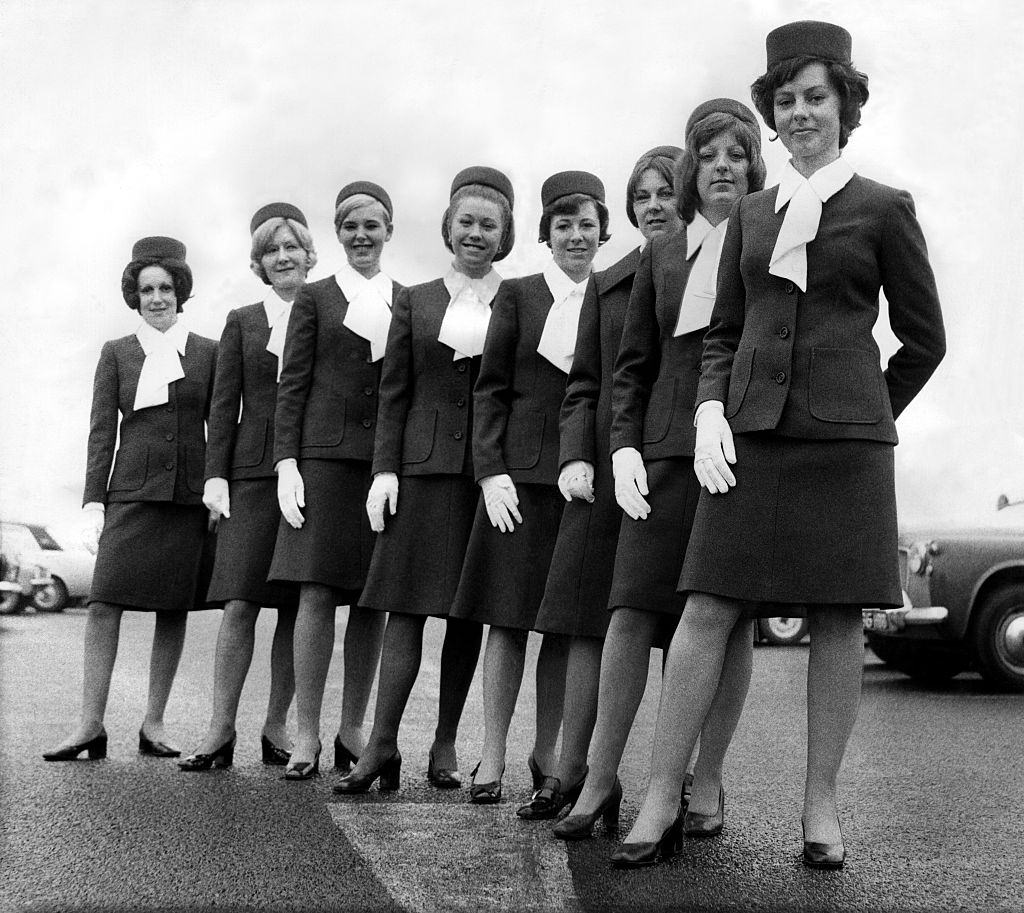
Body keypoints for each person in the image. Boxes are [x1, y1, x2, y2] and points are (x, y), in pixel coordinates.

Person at [615, 20, 945, 869]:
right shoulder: (753, 216)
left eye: (815, 97)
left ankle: (821, 805)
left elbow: (922, 339)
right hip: (749, 437)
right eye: (787, 100)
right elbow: (723, 330)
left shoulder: (883, 208)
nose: (800, 113)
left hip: (846, 448)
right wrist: (709, 412)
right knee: (706, 608)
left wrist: (868, 408)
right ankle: (660, 795)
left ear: (845, 105)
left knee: (836, 619)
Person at [554, 103, 767, 842]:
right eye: (706, 154)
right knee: (629, 609)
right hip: (660, 453)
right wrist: (620, 447)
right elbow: (632, 365)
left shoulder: (774, 239)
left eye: (735, 154)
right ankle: (603, 775)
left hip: (744, 453)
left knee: (728, 617)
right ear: (690, 168)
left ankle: (700, 777)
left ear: (752, 164)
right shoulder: (662, 254)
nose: (720, 167)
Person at [334, 167, 515, 794]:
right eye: (465, 221)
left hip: (485, 477)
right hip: (421, 472)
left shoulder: (514, 298)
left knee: (467, 614)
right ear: (448, 227)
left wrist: (500, 470)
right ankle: (381, 743)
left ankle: (444, 742)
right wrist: (384, 469)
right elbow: (395, 393)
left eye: (488, 224)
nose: (475, 233)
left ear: (504, 233)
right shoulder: (414, 298)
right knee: (404, 610)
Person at [517, 146, 684, 822]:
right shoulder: (606, 283)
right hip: (604, 475)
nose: (653, 206)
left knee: (682, 629)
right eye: (641, 195)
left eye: (665, 193)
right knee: (587, 620)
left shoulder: (716, 270)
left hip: (675, 466)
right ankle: (575, 772)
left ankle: (693, 784)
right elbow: (584, 384)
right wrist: (574, 457)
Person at [450, 171, 607, 804]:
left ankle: (547, 752)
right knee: (507, 621)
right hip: (515, 483)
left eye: (586, 225)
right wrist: (490, 472)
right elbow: (488, 390)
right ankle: (491, 752)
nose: (575, 236)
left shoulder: (615, 290)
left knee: (562, 626)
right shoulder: (516, 295)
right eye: (562, 226)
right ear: (544, 234)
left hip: (579, 481)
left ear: (602, 233)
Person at [44, 237, 217, 761]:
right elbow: (102, 431)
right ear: (134, 295)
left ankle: (155, 724)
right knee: (103, 602)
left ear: (180, 291)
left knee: (173, 607)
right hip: (130, 494)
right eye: (146, 289)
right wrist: (94, 501)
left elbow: (223, 425)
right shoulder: (117, 352)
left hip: (188, 496)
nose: (157, 297)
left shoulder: (208, 351)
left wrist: (216, 488)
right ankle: (89, 725)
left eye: (166, 287)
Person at [269, 182, 400, 779]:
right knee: (315, 594)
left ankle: (353, 730)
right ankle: (307, 735)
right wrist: (287, 462)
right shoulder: (316, 299)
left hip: (380, 467)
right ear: (338, 234)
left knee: (371, 600)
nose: (361, 236)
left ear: (389, 231)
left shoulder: (406, 299)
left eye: (372, 225)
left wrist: (391, 464)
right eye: (350, 227)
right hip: (321, 465)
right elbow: (290, 384)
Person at [179, 203, 317, 771]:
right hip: (252, 473)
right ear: (259, 262)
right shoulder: (243, 318)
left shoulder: (331, 308)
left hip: (312, 468)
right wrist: (216, 473)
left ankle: (277, 726)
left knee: (292, 606)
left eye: (291, 247)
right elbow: (222, 401)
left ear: (309, 254)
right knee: (240, 601)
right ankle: (218, 730)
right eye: (270, 250)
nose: (282, 257)